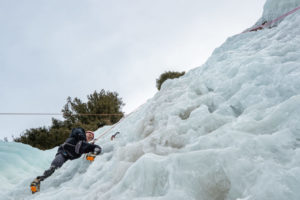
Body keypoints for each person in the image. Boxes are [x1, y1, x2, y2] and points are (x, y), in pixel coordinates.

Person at [30, 127, 101, 193]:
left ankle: (90, 157)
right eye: (89, 134)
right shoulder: (79, 134)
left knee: (94, 149)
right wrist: (80, 134)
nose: (90, 136)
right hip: (63, 152)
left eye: (91, 137)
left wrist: (95, 149)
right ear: (85, 133)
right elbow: (76, 130)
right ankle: (37, 181)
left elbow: (96, 147)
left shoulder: (85, 145)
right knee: (53, 167)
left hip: (68, 156)